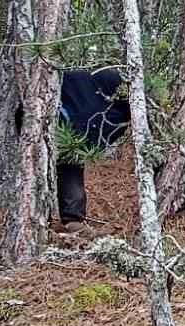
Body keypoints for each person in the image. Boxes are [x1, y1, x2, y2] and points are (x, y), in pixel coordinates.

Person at [56, 67, 131, 227]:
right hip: (74, 126)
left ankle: (73, 219)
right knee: (68, 163)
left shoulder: (108, 81)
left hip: (85, 117)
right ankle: (73, 221)